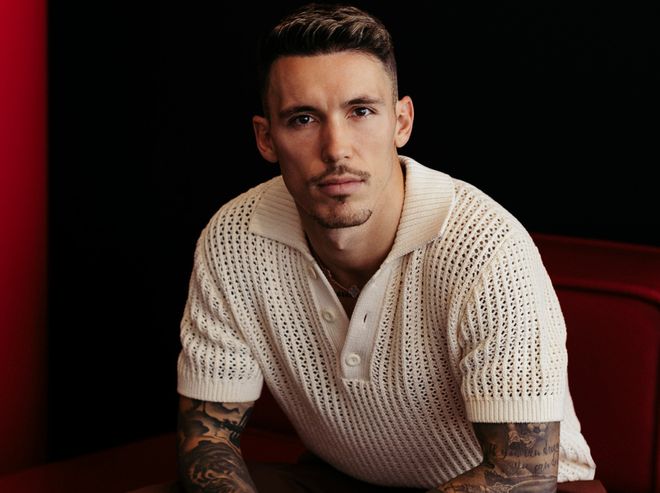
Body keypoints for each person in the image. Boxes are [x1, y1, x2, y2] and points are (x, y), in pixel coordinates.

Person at [173, 3, 598, 492]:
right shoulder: (234, 237)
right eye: (303, 119)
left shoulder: (485, 248)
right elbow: (208, 440)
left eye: (361, 112)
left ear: (401, 122)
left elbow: (522, 476)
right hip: (343, 477)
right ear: (266, 138)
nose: (336, 148)